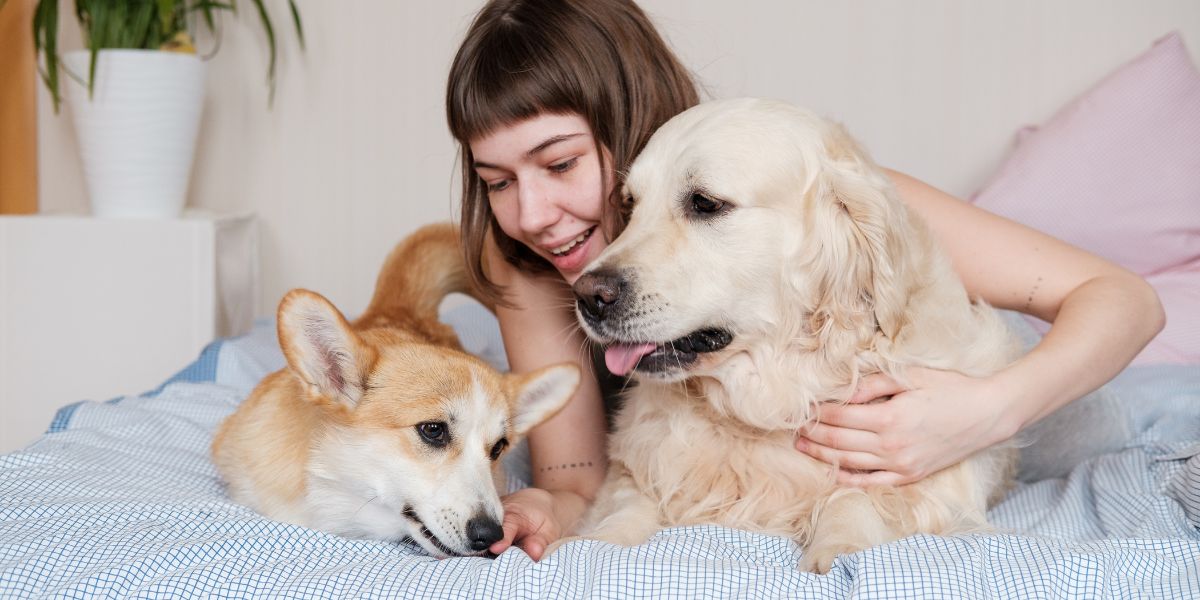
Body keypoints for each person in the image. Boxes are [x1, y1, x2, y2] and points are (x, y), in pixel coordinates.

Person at [444, 0, 1164, 561]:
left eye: (560, 163)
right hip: (679, 452)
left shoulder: (830, 194)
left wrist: (985, 411)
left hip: (977, 401)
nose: (532, 214)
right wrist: (549, 509)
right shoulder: (533, 269)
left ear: (627, 120)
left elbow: (1124, 298)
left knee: (1098, 419)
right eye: (497, 181)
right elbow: (576, 475)